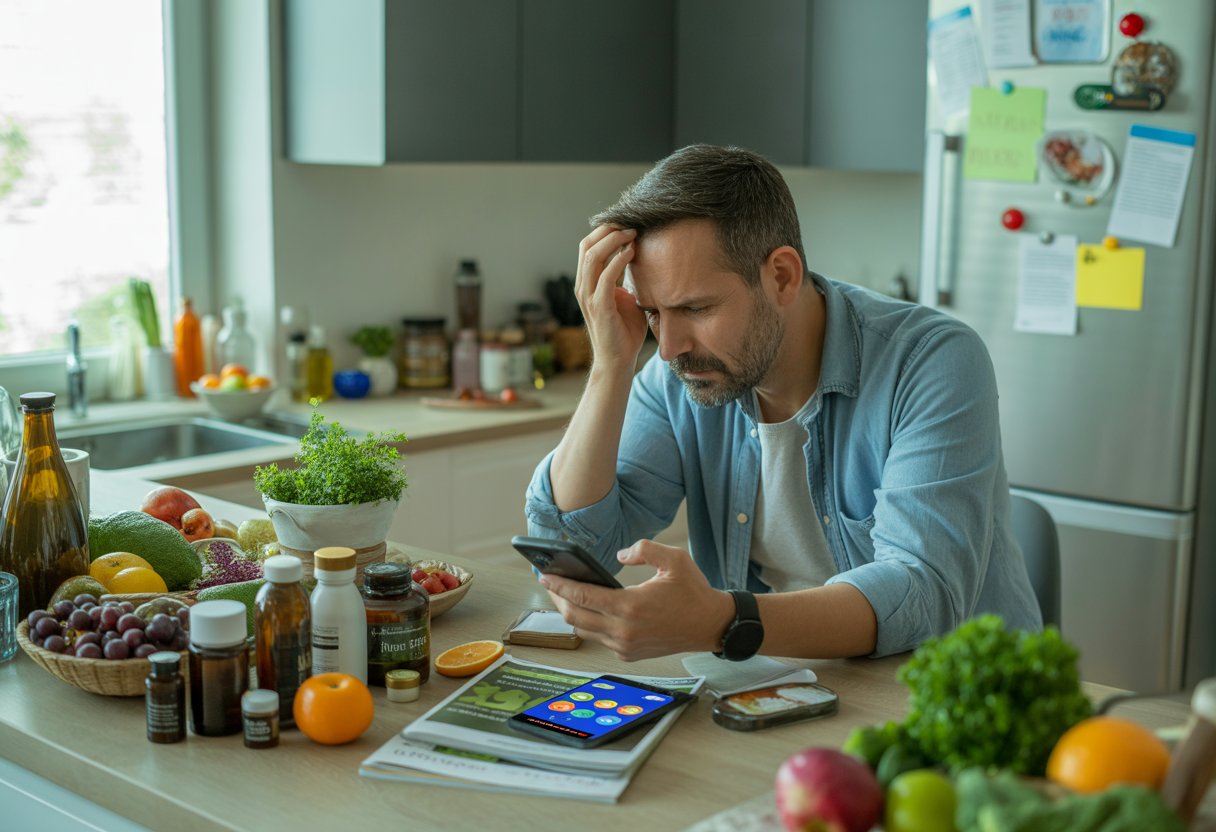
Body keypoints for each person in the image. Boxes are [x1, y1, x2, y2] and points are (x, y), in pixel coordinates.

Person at [524, 144, 1041, 663]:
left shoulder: (932, 361)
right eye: (652, 312)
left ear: (782, 276)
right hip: (776, 686)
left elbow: (922, 594)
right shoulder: (678, 373)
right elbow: (571, 551)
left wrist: (722, 620)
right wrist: (609, 368)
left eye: (696, 307)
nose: (671, 345)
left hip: (947, 695)